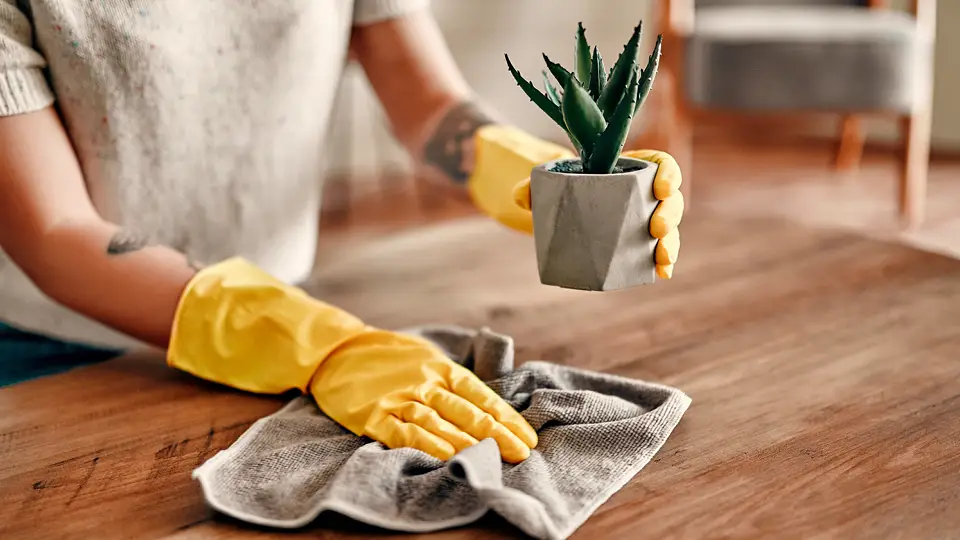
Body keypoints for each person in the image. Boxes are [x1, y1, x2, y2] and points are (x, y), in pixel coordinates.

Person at [0, 1, 683, 463]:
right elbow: (55, 229)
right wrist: (324, 346)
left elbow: (426, 102)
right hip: (60, 353)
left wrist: (537, 172)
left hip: (283, 314)